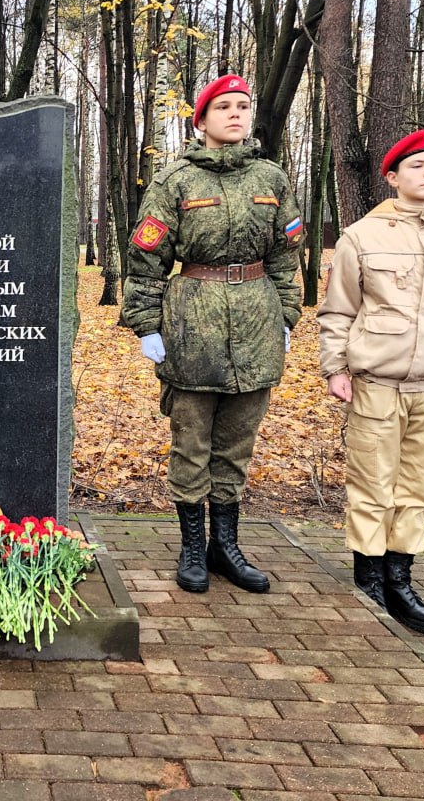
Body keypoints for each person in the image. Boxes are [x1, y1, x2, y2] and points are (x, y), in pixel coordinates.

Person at [124, 74, 303, 594]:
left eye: (243, 106)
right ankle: (191, 547)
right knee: (191, 441)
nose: (236, 114)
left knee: (236, 444)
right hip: (192, 323)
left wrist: (285, 316)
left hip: (256, 318)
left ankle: (225, 546)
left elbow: (285, 256)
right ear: (201, 120)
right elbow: (147, 258)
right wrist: (146, 324)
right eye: (223, 107)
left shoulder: (272, 179)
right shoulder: (175, 182)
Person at [318, 128, 424, 636]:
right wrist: (335, 367)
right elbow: (339, 309)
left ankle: (400, 580)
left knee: (418, 489)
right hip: (378, 383)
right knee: (372, 484)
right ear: (392, 177)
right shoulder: (363, 236)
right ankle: (368, 580)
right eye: (417, 165)